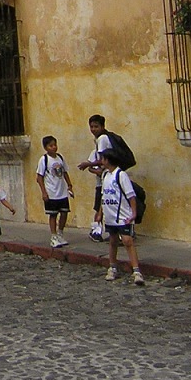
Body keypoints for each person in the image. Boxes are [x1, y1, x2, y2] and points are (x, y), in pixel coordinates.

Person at [98, 147, 144, 285]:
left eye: (103, 159)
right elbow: (103, 195)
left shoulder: (121, 175)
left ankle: (136, 271)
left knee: (127, 241)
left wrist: (133, 213)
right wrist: (100, 213)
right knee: (113, 241)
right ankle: (112, 267)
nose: (101, 161)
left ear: (108, 160)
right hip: (110, 215)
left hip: (123, 215)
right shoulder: (105, 175)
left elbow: (131, 196)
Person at [77, 114, 115, 241]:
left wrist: (88, 164)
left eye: (96, 126)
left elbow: (101, 161)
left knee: (103, 206)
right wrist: (95, 169)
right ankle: (97, 230)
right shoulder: (97, 145)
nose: (93, 129)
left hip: (106, 181)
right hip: (102, 181)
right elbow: (94, 165)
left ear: (102, 127)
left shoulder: (103, 139)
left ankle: (99, 231)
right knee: (100, 206)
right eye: (91, 127)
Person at [35, 135, 73, 247]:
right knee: (53, 215)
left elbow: (65, 172)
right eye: (50, 146)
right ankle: (54, 236)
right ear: (45, 147)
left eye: (55, 145)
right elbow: (39, 177)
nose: (54, 147)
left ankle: (60, 233)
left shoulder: (60, 158)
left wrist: (69, 185)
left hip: (62, 191)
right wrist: (44, 192)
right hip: (51, 192)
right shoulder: (44, 160)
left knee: (64, 213)